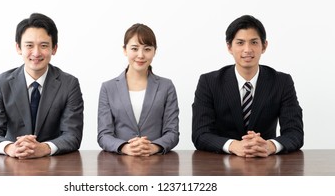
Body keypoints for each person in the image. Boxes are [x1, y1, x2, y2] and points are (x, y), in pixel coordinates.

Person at [192, 15, 303, 158]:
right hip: (220, 163)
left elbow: (295, 133)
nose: (247, 49)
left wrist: (270, 146)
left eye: (254, 42)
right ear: (229, 47)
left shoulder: (281, 82)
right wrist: (233, 145)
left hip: (266, 162)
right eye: (240, 43)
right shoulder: (209, 82)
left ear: (264, 46)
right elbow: (200, 134)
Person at [0, 13, 84, 159]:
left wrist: (44, 148)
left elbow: (72, 135)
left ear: (54, 48)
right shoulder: (1, 83)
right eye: (29, 45)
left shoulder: (69, 84)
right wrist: (10, 148)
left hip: (54, 165)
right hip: (13, 163)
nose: (36, 53)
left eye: (44, 46)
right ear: (18, 48)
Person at [98, 23, 179, 156]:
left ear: (154, 51)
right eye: (134, 48)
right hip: (119, 164)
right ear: (125, 50)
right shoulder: (108, 88)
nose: (140, 55)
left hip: (157, 163)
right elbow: (103, 135)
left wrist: (153, 147)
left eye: (147, 49)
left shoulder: (166, 86)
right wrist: (125, 147)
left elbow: (172, 132)